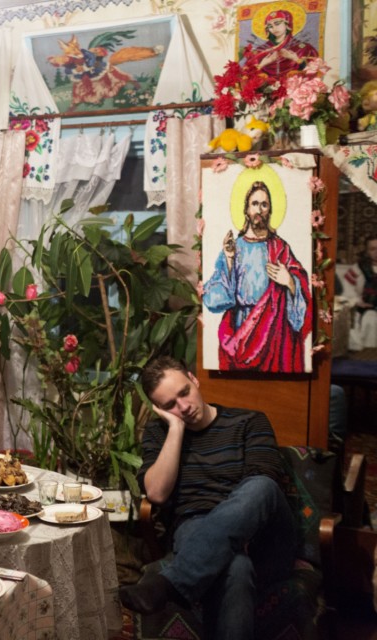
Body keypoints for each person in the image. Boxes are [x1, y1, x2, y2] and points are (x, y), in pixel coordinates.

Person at [120, 357, 297, 640]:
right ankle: (180, 580)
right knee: (236, 567)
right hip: (196, 527)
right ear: (159, 410)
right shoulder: (159, 433)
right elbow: (156, 493)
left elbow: (263, 487)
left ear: (194, 379)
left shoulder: (249, 421)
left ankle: (170, 584)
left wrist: (231, 534)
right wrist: (175, 430)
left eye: (184, 392)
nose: (184, 406)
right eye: (170, 405)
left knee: (262, 486)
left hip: (263, 537)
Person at [202, 180, 311, 371]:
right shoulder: (234, 247)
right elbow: (213, 300)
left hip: (272, 332)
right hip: (240, 328)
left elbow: (301, 288)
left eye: (264, 204)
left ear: (270, 210)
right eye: (254, 204)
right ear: (246, 209)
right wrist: (229, 259)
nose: (259, 210)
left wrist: (290, 282)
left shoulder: (280, 248)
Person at [248, 8, 319, 81]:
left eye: (277, 23)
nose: (274, 28)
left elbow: (313, 72)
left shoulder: (303, 48)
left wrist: (296, 59)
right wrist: (262, 64)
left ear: (287, 24)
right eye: (270, 26)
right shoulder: (260, 51)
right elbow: (247, 75)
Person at [346, 235, 377, 350]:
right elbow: (348, 289)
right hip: (366, 307)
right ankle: (370, 352)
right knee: (370, 318)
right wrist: (357, 301)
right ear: (367, 251)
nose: (376, 252)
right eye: (372, 249)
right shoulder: (358, 268)